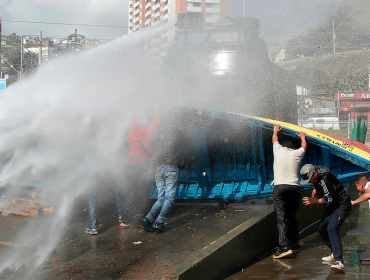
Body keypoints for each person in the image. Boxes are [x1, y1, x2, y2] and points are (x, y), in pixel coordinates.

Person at [301, 164, 352, 273]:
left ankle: (340, 262)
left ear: (315, 173)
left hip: (341, 205)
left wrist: (315, 201)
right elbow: (321, 186)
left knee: (332, 228)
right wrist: (316, 189)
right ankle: (334, 252)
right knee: (322, 229)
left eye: (310, 179)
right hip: (331, 207)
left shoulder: (325, 178)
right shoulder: (317, 172)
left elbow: (329, 199)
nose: (309, 182)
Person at [142, 117, 186, 233]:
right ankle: (159, 222)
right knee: (170, 199)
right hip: (171, 168)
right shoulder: (178, 134)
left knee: (161, 198)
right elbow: (185, 146)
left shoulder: (159, 136)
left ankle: (149, 218)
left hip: (159, 168)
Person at [272, 124, 307, 259]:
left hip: (280, 187)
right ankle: (294, 245)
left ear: (282, 146)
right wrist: (303, 137)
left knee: (281, 217)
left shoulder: (278, 149)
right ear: (292, 148)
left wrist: (276, 131)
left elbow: (274, 139)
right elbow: (304, 146)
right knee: (291, 216)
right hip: (294, 187)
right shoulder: (297, 153)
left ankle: (284, 247)